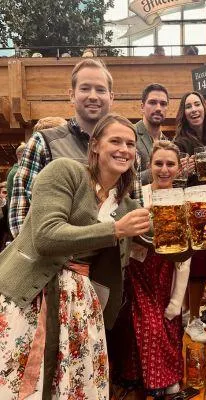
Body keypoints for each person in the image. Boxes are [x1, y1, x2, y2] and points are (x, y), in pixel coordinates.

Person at [0, 113, 151, 399]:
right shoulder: (64, 171)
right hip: (32, 295)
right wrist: (115, 230)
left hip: (80, 302)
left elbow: (157, 244)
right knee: (21, 382)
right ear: (94, 145)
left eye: (130, 144)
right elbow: (46, 236)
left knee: (72, 385)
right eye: (115, 141)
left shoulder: (125, 202)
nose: (124, 149)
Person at [9, 59, 143, 238]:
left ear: (111, 97)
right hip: (53, 261)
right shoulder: (44, 142)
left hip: (109, 262)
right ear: (72, 95)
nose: (93, 96)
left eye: (101, 90)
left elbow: (134, 211)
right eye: (85, 88)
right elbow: (21, 214)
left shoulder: (127, 153)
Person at [111, 140, 190, 398]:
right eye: (159, 163)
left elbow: (184, 257)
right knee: (145, 330)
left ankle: (167, 380)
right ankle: (149, 383)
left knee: (168, 326)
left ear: (179, 169)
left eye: (170, 164)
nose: (164, 169)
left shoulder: (183, 200)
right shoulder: (138, 194)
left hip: (166, 275)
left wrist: (178, 299)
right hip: (137, 274)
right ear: (149, 165)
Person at [174, 91, 206, 343]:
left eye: (197, 104)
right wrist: (185, 167)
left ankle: (190, 313)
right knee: (194, 264)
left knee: (204, 266)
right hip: (193, 206)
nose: (193, 109)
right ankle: (192, 318)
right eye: (188, 106)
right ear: (183, 113)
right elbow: (176, 175)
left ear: (205, 108)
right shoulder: (181, 141)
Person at [135, 83, 170, 185]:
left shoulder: (169, 142)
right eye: (153, 102)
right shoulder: (129, 135)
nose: (158, 108)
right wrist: (156, 172)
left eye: (163, 104)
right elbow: (120, 180)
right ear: (142, 107)